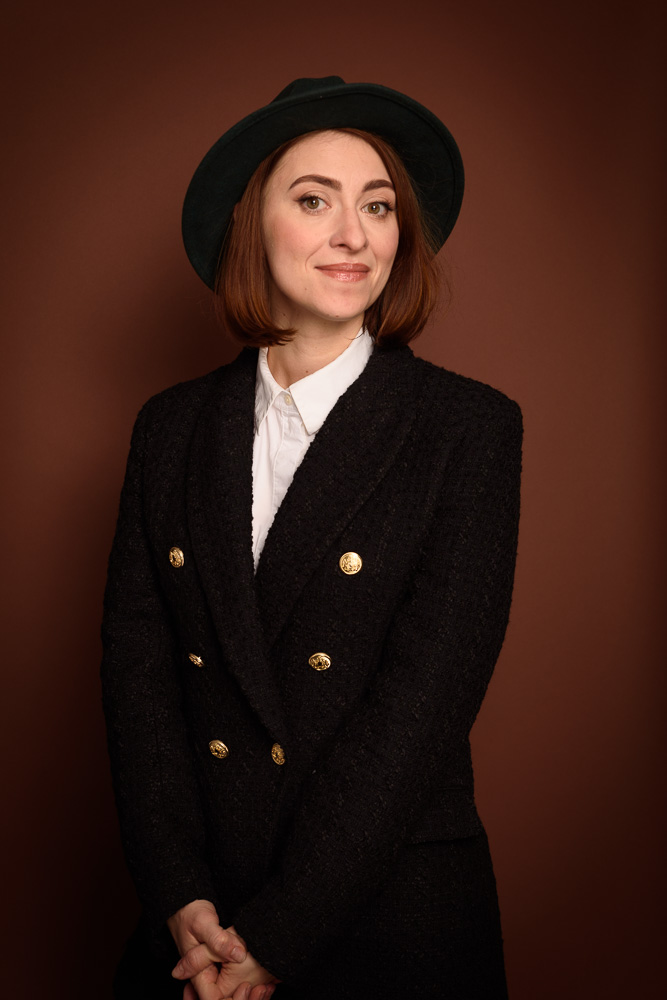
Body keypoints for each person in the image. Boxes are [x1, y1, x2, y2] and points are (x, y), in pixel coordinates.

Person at [101, 76, 522, 1000]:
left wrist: (276, 937)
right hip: (200, 920)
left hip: (390, 913)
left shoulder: (467, 428)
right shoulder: (169, 429)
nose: (354, 235)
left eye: (377, 206)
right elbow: (140, 681)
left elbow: (421, 709)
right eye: (313, 200)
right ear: (249, 226)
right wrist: (178, 892)